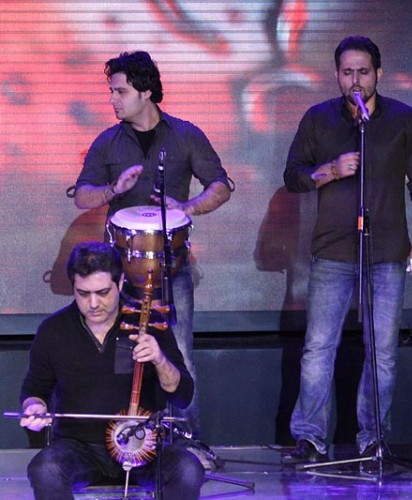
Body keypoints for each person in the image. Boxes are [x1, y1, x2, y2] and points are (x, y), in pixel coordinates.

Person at [282, 36, 412, 465]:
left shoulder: (403, 119)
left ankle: (373, 438)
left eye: (364, 72)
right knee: (318, 348)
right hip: (333, 250)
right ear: (337, 75)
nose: (356, 80)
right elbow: (293, 175)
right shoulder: (319, 119)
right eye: (348, 72)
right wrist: (330, 171)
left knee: (382, 352)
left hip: (386, 251)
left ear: (378, 74)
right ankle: (310, 437)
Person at [73, 50, 232, 436]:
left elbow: (221, 186)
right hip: (119, 271)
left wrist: (187, 207)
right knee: (122, 355)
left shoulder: (185, 135)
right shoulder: (108, 142)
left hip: (171, 267)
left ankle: (187, 441)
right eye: (112, 91)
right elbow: (82, 196)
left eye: (120, 92)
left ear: (145, 92)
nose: (112, 99)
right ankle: (126, 439)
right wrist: (114, 188)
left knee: (179, 355)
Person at [19, 241, 204, 499]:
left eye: (103, 292)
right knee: (45, 470)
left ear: (120, 283)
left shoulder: (150, 323)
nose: (93, 303)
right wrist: (34, 407)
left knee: (188, 469)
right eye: (83, 293)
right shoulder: (54, 330)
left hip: (144, 447)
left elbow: (183, 395)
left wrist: (160, 360)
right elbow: (35, 390)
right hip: (80, 448)